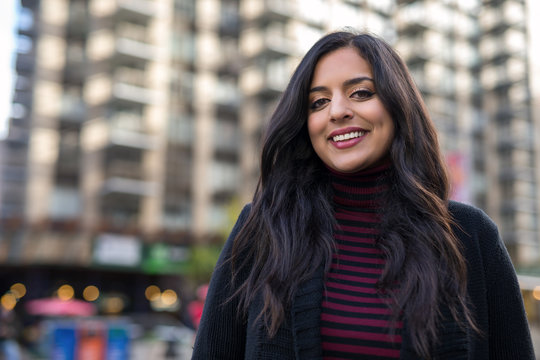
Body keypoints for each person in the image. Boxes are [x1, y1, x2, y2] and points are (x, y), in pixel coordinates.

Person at [191, 30, 535, 359]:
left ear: (398, 107)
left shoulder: (471, 236)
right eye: (318, 101)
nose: (336, 111)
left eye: (360, 93)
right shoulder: (261, 230)